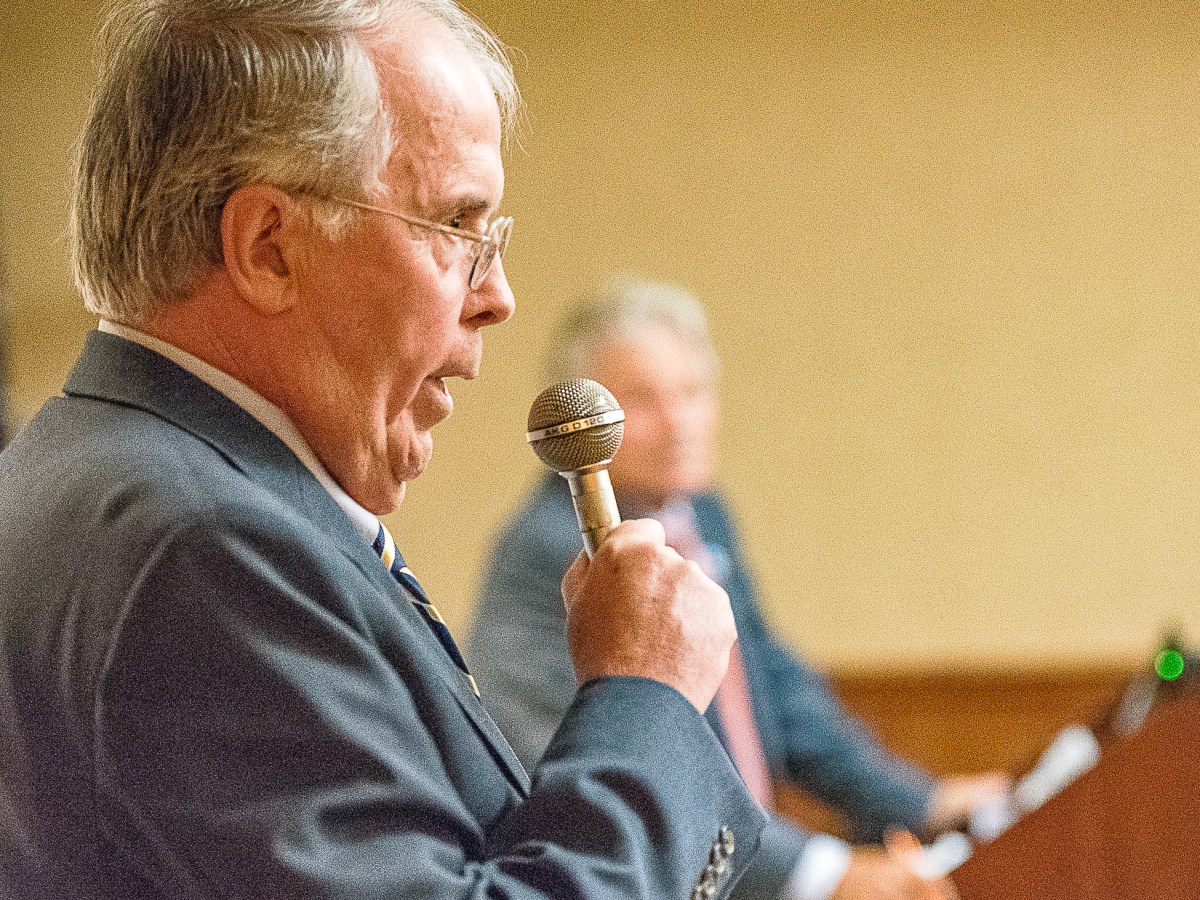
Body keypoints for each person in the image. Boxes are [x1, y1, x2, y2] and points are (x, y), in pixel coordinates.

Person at [0, 5, 772, 898]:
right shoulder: (202, 545)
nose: (498, 296)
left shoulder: (81, 469)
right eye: (456, 226)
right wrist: (648, 696)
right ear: (270, 248)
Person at [468, 279, 1010, 900]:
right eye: (642, 402)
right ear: (584, 427)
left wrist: (923, 801)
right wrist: (825, 876)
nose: (679, 424)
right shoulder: (549, 550)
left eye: (692, 393)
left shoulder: (703, 516)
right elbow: (609, 773)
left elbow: (773, 689)